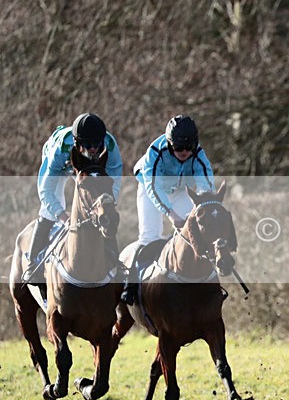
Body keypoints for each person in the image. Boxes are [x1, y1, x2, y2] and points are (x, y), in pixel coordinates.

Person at [120, 115, 214, 304]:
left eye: (189, 148)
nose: (185, 152)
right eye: (179, 148)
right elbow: (154, 188)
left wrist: (203, 206)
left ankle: (203, 282)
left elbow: (206, 185)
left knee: (194, 233)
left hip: (179, 191)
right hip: (151, 189)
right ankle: (130, 286)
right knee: (149, 236)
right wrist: (171, 214)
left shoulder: (198, 155)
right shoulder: (155, 152)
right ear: (170, 143)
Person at [23, 113, 123, 283]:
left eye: (97, 144)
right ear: (77, 142)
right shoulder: (61, 149)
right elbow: (46, 190)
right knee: (50, 209)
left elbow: (114, 181)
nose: (93, 148)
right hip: (62, 167)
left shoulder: (109, 145)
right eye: (88, 144)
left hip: (91, 169)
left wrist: (105, 203)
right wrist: (62, 217)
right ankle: (32, 264)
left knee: (105, 211)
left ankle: (115, 262)